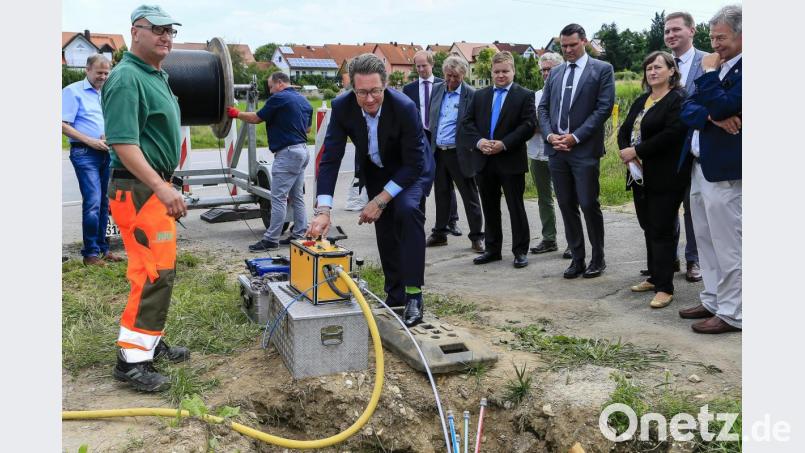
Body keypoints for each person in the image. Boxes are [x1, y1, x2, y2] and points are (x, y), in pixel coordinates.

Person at [307, 54, 435, 327]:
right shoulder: (342, 107)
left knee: (407, 211)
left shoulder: (404, 107)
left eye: (375, 91)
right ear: (351, 89)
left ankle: (414, 295)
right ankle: (395, 294)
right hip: (378, 170)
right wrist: (324, 210)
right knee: (385, 228)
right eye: (361, 92)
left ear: (385, 86)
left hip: (412, 168)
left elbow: (414, 163)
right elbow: (330, 158)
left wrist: (379, 200)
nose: (369, 100)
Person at [102, 4, 190, 392]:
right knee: (153, 273)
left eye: (169, 30)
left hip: (150, 190)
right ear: (134, 32)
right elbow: (123, 142)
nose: (165, 36)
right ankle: (132, 361)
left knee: (158, 270)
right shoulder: (126, 78)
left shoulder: (155, 75)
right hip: (139, 192)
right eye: (156, 30)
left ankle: (149, 340)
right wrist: (160, 186)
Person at [677, 4, 742, 334]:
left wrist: (708, 74)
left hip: (728, 170)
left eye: (722, 37)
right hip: (700, 166)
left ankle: (734, 312)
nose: (715, 44)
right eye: (713, 37)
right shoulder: (720, 68)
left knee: (729, 244)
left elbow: (726, 105)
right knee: (705, 240)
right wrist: (710, 116)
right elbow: (687, 109)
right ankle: (714, 298)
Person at [537, 23, 615, 279]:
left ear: (584, 41)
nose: (568, 50)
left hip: (584, 150)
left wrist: (575, 137)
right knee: (566, 204)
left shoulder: (602, 70)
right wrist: (550, 136)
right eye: (564, 46)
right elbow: (543, 108)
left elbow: (603, 109)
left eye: (572, 45)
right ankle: (577, 258)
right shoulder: (556, 73)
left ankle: (598, 258)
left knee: (588, 203)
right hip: (557, 150)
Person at [617, 51, 690, 308]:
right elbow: (625, 129)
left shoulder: (677, 99)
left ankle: (665, 287)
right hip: (639, 175)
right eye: (649, 69)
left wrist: (638, 151)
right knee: (649, 226)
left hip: (666, 175)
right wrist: (626, 152)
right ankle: (654, 275)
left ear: (672, 71)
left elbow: (674, 133)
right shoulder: (642, 100)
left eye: (658, 67)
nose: (652, 72)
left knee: (662, 229)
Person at [463, 51, 535, 269]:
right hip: (484, 159)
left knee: (516, 207)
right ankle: (493, 250)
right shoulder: (479, 95)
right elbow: (467, 124)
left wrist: (504, 144)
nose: (501, 75)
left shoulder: (524, 95)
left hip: (510, 159)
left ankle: (520, 251)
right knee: (490, 207)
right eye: (497, 71)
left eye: (505, 71)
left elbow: (528, 125)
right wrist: (479, 142)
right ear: (491, 72)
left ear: (513, 70)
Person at [226, 72, 313, 251]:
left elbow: (257, 118)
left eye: (271, 86)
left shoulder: (279, 98)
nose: (271, 91)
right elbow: (308, 129)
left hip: (287, 153)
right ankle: (299, 234)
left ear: (280, 83)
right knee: (297, 196)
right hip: (303, 150)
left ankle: (271, 239)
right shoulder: (304, 101)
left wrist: (236, 113)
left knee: (278, 198)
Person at [62, 54, 123, 266]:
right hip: (84, 153)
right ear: (87, 70)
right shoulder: (72, 91)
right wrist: (89, 141)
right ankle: (90, 254)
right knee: (93, 202)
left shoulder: (106, 93)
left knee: (106, 203)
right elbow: (62, 124)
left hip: (106, 151)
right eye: (99, 73)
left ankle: (103, 250)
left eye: (107, 73)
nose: (103, 77)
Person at [661, 11, 708, 283]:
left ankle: (694, 260)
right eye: (667, 31)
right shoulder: (662, 63)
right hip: (665, 150)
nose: (671, 35)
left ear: (692, 31)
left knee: (693, 208)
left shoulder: (708, 61)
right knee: (667, 206)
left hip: (696, 147)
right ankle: (668, 258)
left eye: (676, 29)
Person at [425, 55, 484, 252]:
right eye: (448, 75)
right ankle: (440, 233)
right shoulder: (437, 90)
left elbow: (476, 125)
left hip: (460, 153)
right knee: (441, 194)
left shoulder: (472, 95)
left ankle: (477, 236)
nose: (450, 80)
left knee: (470, 195)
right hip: (438, 152)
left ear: (463, 75)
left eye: (455, 77)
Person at [403, 50, 461, 236]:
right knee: (418, 180)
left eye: (424, 66)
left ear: (432, 65)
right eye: (418, 66)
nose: (421, 69)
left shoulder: (444, 84)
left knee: (445, 181)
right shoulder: (409, 89)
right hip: (420, 139)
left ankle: (452, 221)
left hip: (441, 138)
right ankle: (418, 220)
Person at [526, 52, 569, 258]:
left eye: (549, 69)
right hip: (537, 152)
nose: (545, 73)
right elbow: (528, 123)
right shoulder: (534, 96)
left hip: (561, 151)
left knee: (567, 199)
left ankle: (573, 241)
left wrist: (542, 127)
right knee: (544, 199)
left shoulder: (567, 94)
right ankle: (549, 238)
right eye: (543, 69)